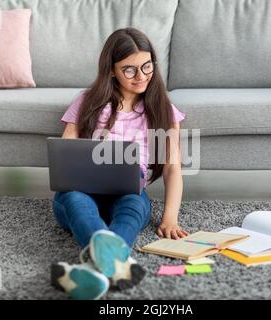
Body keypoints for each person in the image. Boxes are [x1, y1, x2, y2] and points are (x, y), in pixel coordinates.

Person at [51, 27, 189, 300]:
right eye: (129, 70)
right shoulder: (87, 101)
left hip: (129, 192)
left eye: (147, 66)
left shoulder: (163, 108)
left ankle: (93, 274)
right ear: (112, 70)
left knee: (135, 207)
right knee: (78, 203)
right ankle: (117, 266)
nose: (141, 77)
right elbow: (66, 152)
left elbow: (173, 168)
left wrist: (170, 218)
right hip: (77, 193)